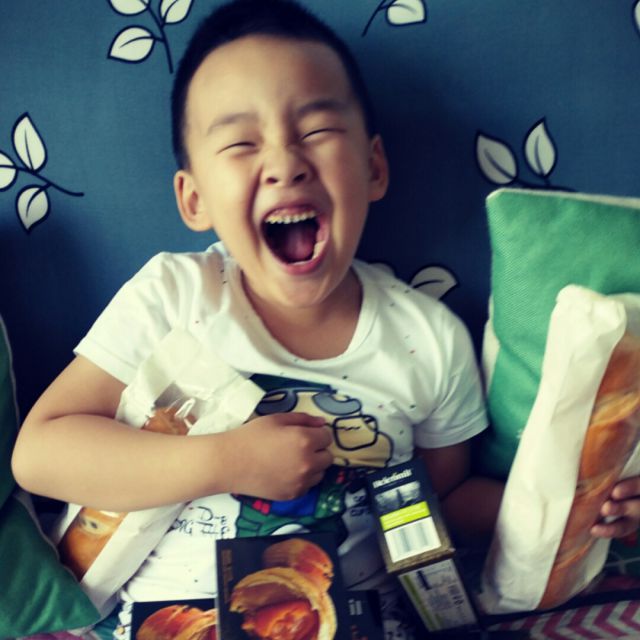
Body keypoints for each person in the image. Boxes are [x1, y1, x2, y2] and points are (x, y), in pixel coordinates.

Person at [11, 0, 640, 637]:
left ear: (373, 167)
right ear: (194, 198)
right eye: (241, 142)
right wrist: (223, 462)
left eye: (315, 131)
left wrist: (580, 510)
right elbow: (39, 455)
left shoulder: (429, 339)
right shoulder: (174, 296)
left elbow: (444, 503)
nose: (285, 163)